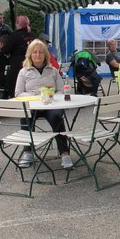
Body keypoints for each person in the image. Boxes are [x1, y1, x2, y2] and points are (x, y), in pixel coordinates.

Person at [15, 39, 72, 169]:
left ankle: (64, 153)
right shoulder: (24, 72)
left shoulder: (53, 71)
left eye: (41, 52)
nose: (38, 55)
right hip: (33, 105)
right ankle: (28, 152)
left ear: (45, 55)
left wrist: (52, 96)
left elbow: (61, 91)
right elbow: (18, 94)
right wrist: (36, 96)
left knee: (57, 117)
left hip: (50, 106)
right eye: (34, 52)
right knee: (25, 116)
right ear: (30, 54)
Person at [2, 15, 36, 98]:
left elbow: (6, 50)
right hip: (31, 64)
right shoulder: (32, 35)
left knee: (14, 86)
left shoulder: (14, 35)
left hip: (17, 65)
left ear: (17, 24)